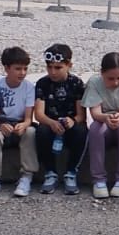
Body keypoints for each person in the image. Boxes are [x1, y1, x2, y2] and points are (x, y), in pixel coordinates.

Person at [83, 51, 119, 200]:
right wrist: (107, 117)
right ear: (102, 73)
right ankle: (99, 180)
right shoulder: (94, 83)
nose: (116, 82)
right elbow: (95, 113)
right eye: (110, 78)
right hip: (104, 122)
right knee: (95, 129)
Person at [0, 46, 37, 198]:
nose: (22, 73)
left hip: (20, 124)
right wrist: (0, 125)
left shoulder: (29, 87)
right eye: (18, 69)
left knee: (31, 132)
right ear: (7, 68)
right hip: (3, 124)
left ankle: (27, 176)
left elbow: (28, 118)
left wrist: (24, 125)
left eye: (25, 69)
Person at [34, 42, 88, 195]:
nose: (53, 72)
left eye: (58, 68)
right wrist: (51, 122)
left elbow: (81, 115)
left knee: (81, 131)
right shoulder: (43, 83)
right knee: (41, 131)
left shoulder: (76, 83)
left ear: (69, 65)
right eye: (49, 67)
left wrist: (73, 121)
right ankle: (50, 172)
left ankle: (71, 172)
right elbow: (39, 114)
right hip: (51, 125)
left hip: (69, 125)